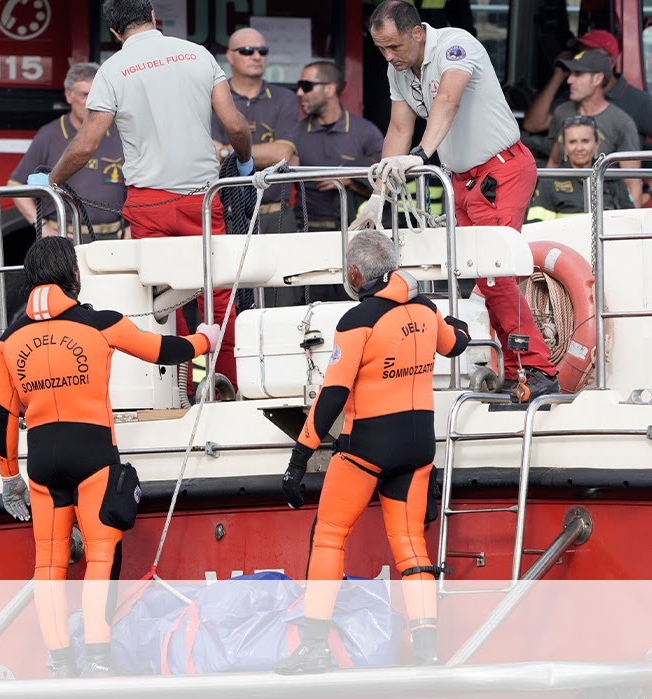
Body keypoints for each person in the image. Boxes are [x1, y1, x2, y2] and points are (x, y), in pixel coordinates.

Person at [0, 235, 219, 678]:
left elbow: (3, 415)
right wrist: (204, 340)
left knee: (49, 563)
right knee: (100, 554)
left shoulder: (8, 340)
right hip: (92, 455)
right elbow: (161, 352)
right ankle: (98, 657)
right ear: (73, 276)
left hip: (41, 463)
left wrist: (8, 476)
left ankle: (60, 662)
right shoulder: (99, 323)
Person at [272, 229, 470, 673]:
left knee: (329, 535)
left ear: (355, 273)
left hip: (367, 446)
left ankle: (315, 649)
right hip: (418, 446)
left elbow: (332, 396)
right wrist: (460, 327)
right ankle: (427, 652)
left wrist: (298, 460)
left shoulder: (357, 321)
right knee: (411, 544)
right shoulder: (425, 308)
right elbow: (454, 344)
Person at [30, 0, 253, 390]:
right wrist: (245, 161)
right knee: (218, 297)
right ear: (153, 17)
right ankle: (228, 386)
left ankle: (175, 390)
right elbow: (235, 125)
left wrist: (53, 179)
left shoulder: (112, 70)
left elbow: (86, 145)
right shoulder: (198, 55)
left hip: (149, 204)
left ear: (115, 33)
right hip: (203, 199)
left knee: (161, 301)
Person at [369, 0, 560, 400]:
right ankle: (515, 370)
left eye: (394, 46)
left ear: (417, 32)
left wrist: (420, 156)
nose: (388, 56)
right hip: (464, 179)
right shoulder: (398, 68)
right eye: (381, 48)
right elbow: (399, 127)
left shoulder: (455, 45)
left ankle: (538, 370)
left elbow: (447, 101)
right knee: (481, 275)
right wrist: (377, 194)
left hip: (500, 171)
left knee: (495, 273)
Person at [523, 29, 652, 202]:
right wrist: (558, 76)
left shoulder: (638, 102)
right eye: (578, 53)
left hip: (609, 202)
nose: (581, 59)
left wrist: (647, 193)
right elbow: (533, 125)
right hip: (567, 200)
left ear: (610, 63)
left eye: (589, 54)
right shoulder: (571, 99)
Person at [8, 63, 128, 239]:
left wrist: (131, 227)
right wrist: (42, 227)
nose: (91, 101)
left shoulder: (119, 133)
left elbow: (138, 183)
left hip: (112, 238)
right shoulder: (50, 134)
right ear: (68, 95)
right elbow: (16, 186)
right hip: (65, 237)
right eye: (84, 94)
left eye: (96, 94)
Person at [212, 27, 300, 233]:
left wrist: (226, 152)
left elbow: (282, 154)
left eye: (263, 51)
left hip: (276, 214)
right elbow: (208, 155)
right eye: (247, 51)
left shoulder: (285, 98)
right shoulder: (214, 97)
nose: (257, 56)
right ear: (230, 56)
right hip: (229, 214)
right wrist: (267, 155)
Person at [293, 61, 384, 233]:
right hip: (304, 230)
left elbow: (388, 181)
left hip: (352, 230)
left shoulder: (366, 132)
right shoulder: (295, 132)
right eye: (299, 86)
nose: (299, 92)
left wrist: (350, 179)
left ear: (329, 89)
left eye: (306, 86)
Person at [546, 50, 645, 207]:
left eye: (578, 74)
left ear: (598, 79)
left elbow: (632, 183)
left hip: (604, 210)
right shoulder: (562, 112)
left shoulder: (621, 122)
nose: (569, 80)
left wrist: (631, 220)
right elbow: (553, 162)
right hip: (564, 208)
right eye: (570, 74)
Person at [527, 115, 634, 221]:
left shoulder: (613, 179)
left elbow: (631, 221)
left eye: (585, 141)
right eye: (572, 142)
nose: (579, 148)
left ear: (597, 144)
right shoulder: (549, 182)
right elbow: (537, 225)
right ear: (564, 146)